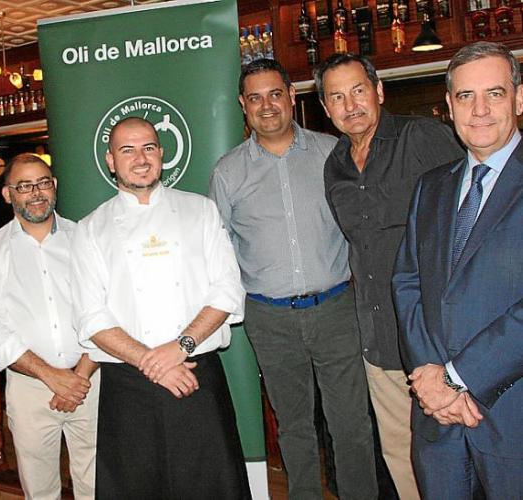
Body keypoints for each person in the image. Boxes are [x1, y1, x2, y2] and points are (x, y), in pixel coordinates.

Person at [209, 58, 377, 499]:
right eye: (255, 98)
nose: (267, 106)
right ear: (243, 105)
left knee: (352, 424)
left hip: (337, 310)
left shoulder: (333, 153)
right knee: (294, 426)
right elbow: (218, 250)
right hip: (270, 319)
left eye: (275, 94)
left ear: (292, 96)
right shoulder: (228, 173)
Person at [71, 116, 250, 499]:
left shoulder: (200, 210)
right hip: (129, 385)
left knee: (211, 487)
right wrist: (151, 362)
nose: (141, 158)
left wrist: (180, 347)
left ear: (162, 154)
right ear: (110, 160)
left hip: (196, 375)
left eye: (148, 147)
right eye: (128, 150)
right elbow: (91, 315)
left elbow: (227, 289)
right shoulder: (90, 229)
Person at [316, 53, 464, 499]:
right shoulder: (335, 165)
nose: (351, 105)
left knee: (456, 453)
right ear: (325, 108)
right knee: (400, 453)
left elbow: (472, 216)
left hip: (436, 338)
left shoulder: (423, 138)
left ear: (379, 91)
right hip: (379, 340)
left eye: (358, 90)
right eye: (337, 97)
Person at [393, 41, 523, 499]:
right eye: (466, 96)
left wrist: (457, 378)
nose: (479, 110)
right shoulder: (431, 186)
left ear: (519, 99)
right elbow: (407, 283)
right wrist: (432, 380)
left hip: (511, 416)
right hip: (437, 421)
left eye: (494, 93)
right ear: (449, 107)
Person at [0, 153, 99, 499]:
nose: (36, 193)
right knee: (40, 489)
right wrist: (51, 376)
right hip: (29, 388)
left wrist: (78, 376)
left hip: (90, 381)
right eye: (24, 186)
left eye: (43, 183)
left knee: (96, 485)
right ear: (7, 194)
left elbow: (104, 310)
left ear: (54, 186)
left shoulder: (84, 238)